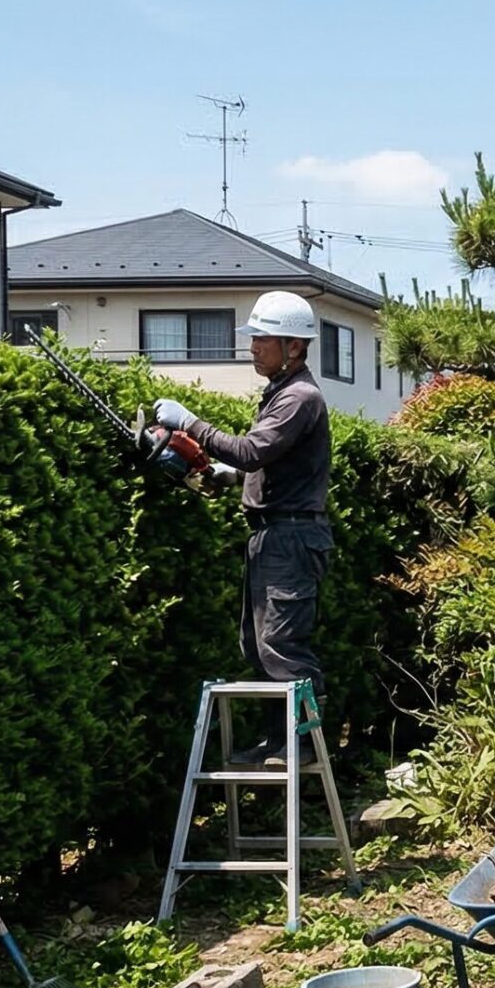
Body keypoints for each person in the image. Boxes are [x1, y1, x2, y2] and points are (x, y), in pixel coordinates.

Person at [152, 290, 333, 767]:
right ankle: (281, 743)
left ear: (294, 346)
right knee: (260, 645)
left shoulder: (299, 397)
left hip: (292, 537)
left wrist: (191, 421)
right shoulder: (280, 393)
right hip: (276, 534)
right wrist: (228, 477)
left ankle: (304, 745)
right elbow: (271, 465)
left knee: (284, 644)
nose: (252, 347)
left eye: (262, 338)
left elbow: (254, 450)